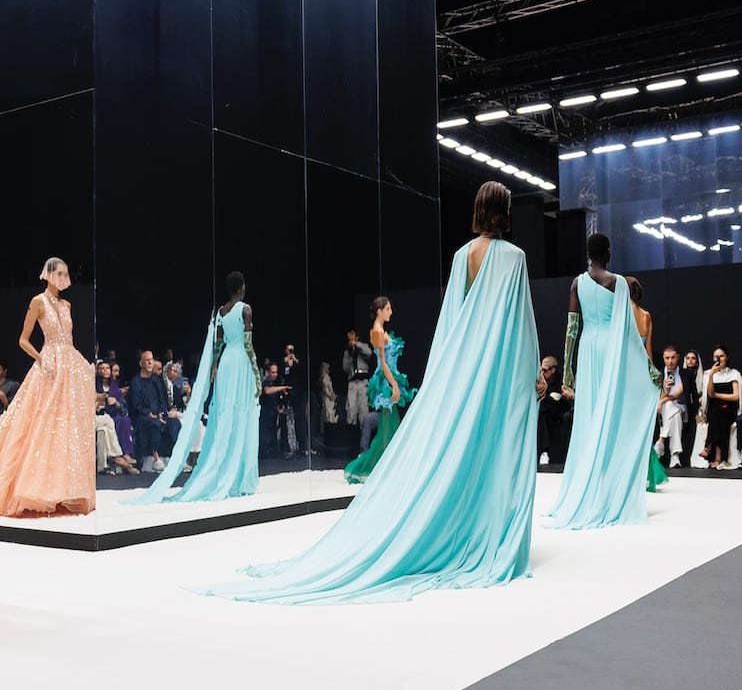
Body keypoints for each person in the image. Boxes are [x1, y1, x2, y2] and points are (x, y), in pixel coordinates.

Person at [192, 180, 538, 604]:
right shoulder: (514, 258)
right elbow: (520, 322)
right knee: (495, 440)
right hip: (497, 363)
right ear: (505, 209)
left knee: (461, 442)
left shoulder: (462, 256)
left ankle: (460, 521)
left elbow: (453, 321)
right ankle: (486, 525)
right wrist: (531, 372)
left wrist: (446, 372)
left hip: (465, 364)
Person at [545, 234, 659, 530]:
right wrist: (648, 368)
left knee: (589, 417)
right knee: (612, 416)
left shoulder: (576, 283)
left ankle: (588, 487)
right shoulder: (619, 282)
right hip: (611, 350)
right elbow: (629, 332)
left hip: (588, 349)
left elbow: (572, 327)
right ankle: (607, 489)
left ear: (587, 253)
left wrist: (567, 368)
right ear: (608, 251)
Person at [131, 271, 261, 503]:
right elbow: (249, 345)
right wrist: (256, 373)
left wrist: (213, 368)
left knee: (226, 413)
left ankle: (224, 469)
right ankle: (241, 476)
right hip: (240, 362)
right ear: (241, 287)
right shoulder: (245, 309)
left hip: (225, 365)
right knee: (241, 412)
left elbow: (218, 344)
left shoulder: (221, 312)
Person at [0, 258, 96, 516]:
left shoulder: (67, 304)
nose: (64, 278)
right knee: (38, 424)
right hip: (49, 365)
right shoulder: (37, 301)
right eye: (60, 273)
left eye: (67, 273)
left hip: (69, 364)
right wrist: (41, 358)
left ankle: (63, 490)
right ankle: (32, 488)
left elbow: (69, 338)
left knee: (66, 427)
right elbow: (23, 339)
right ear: (49, 275)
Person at [343, 296, 418, 484]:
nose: (391, 312)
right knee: (388, 426)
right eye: (388, 309)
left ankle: (387, 466)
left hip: (389, 378)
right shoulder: (377, 332)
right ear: (379, 310)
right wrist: (394, 385)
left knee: (389, 425)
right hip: (386, 381)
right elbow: (383, 363)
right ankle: (381, 467)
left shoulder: (379, 330)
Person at [625, 276, 668, 490]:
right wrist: (653, 380)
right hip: (642, 374)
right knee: (640, 425)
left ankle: (630, 475)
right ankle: (646, 474)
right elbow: (649, 352)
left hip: (625, 374)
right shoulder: (646, 315)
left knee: (627, 426)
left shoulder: (621, 314)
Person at [129, 350, 174, 471]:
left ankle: (175, 458)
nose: (150, 362)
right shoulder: (135, 382)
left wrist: (162, 413)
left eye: (152, 360)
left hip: (157, 415)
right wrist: (150, 414)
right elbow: (136, 405)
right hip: (142, 417)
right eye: (147, 360)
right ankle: (155, 458)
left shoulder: (156, 381)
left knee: (175, 423)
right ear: (141, 363)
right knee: (154, 423)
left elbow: (162, 401)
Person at [701, 345, 741, 469]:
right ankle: (719, 457)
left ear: (727, 357)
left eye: (721, 356)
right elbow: (710, 394)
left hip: (729, 408)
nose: (719, 359)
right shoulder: (708, 374)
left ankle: (709, 448)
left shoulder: (733, 374)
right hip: (715, 410)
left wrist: (718, 395)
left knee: (718, 414)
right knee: (716, 415)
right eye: (716, 357)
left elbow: (736, 396)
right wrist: (712, 376)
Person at [95, 360, 138, 472]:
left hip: (115, 415)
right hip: (100, 416)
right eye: (102, 368)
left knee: (124, 420)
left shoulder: (115, 388)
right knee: (110, 424)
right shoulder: (94, 386)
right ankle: (118, 457)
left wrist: (116, 403)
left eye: (107, 368)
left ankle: (126, 454)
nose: (105, 370)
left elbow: (123, 408)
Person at [536, 355, 573, 465]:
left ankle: (545, 451)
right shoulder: (540, 380)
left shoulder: (560, 381)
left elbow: (559, 398)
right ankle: (544, 451)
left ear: (553, 370)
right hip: (547, 412)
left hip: (559, 410)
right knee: (543, 410)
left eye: (545, 370)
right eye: (541, 370)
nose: (542, 373)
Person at [654, 346, 686, 467]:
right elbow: (658, 396)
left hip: (681, 407)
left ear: (677, 357)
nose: (670, 361)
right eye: (667, 358)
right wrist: (666, 389)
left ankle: (661, 440)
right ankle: (675, 456)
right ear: (663, 358)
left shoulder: (684, 373)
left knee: (670, 406)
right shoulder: (659, 374)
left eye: (673, 357)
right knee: (674, 415)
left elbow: (677, 395)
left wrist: (662, 401)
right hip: (667, 411)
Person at [342, 328, 374, 434]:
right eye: (349, 334)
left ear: (356, 336)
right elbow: (345, 369)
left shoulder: (363, 346)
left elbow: (369, 353)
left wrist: (356, 345)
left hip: (363, 382)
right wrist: (350, 354)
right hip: (352, 383)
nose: (350, 336)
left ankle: (364, 439)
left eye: (352, 334)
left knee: (363, 411)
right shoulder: (347, 352)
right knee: (351, 410)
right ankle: (351, 437)